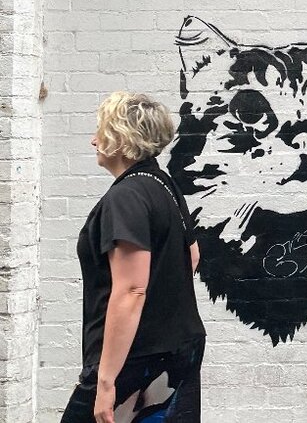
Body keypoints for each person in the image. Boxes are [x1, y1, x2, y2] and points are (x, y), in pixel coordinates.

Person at [62, 92, 206, 423]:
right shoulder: (163, 184)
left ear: (122, 137)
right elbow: (192, 256)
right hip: (179, 347)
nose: (94, 140)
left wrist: (106, 381)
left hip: (135, 359)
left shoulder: (125, 197)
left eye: (101, 130)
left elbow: (131, 290)